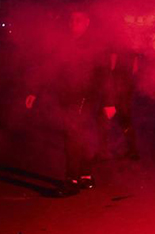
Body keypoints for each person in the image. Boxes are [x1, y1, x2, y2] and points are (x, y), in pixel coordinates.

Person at [26, 10, 115, 195]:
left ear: (87, 22)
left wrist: (109, 102)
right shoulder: (64, 42)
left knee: (73, 135)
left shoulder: (95, 44)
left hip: (86, 96)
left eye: (78, 20)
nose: (73, 23)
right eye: (71, 20)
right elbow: (49, 66)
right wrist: (34, 91)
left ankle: (72, 179)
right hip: (67, 95)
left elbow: (104, 74)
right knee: (79, 135)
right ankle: (85, 175)